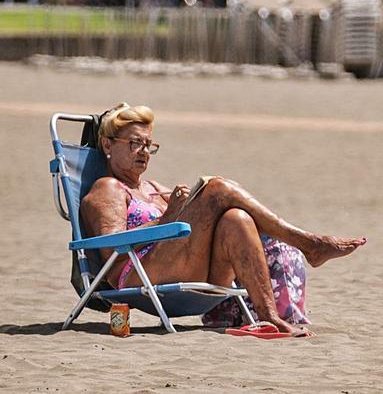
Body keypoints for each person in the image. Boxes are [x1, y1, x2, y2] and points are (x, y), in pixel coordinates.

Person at [80, 103, 367, 337]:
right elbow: (110, 248)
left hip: (184, 266)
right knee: (216, 188)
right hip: (137, 272)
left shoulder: (153, 187)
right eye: (134, 143)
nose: (143, 151)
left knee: (236, 219)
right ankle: (309, 244)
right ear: (107, 143)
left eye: (148, 145)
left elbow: (190, 225)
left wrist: (185, 208)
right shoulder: (107, 188)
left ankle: (268, 317)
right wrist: (167, 218)